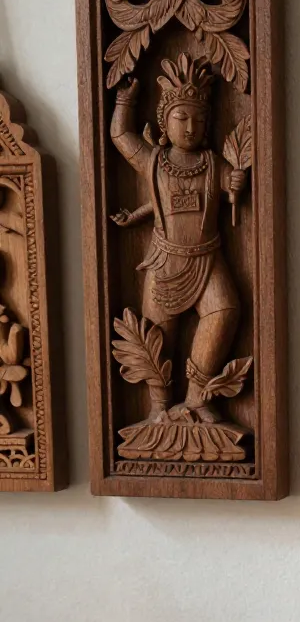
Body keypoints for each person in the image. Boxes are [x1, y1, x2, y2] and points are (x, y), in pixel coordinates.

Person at [110, 54, 246, 423]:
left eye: (199, 120)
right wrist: (125, 100)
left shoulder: (214, 163)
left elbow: (230, 191)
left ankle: (197, 396)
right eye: (181, 118)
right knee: (157, 336)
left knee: (225, 310)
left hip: (208, 257)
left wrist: (234, 183)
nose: (190, 127)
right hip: (166, 260)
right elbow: (120, 136)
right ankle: (159, 408)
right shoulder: (153, 160)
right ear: (164, 122)